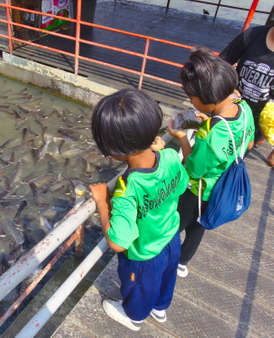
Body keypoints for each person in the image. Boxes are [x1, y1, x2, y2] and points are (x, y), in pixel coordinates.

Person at [89, 88, 189, 331]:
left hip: (144, 255)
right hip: (171, 238)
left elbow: (118, 242)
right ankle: (160, 308)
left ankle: (133, 316)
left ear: (113, 153)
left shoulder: (126, 189)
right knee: (167, 279)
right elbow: (183, 184)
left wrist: (103, 201)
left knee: (141, 288)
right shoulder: (169, 157)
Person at [169, 48, 255, 278]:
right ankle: (183, 262)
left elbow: (192, 167)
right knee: (199, 227)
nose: (191, 102)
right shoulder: (244, 109)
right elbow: (248, 143)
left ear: (207, 99)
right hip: (223, 188)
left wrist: (180, 138)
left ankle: (167, 262)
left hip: (198, 192)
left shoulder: (211, 136)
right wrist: (210, 119)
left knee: (174, 227)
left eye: (191, 98)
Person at [220, 19, 274, 165]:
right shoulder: (253, 36)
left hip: (258, 120)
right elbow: (221, 63)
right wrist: (229, 86)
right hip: (231, 107)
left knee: (237, 159)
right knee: (216, 151)